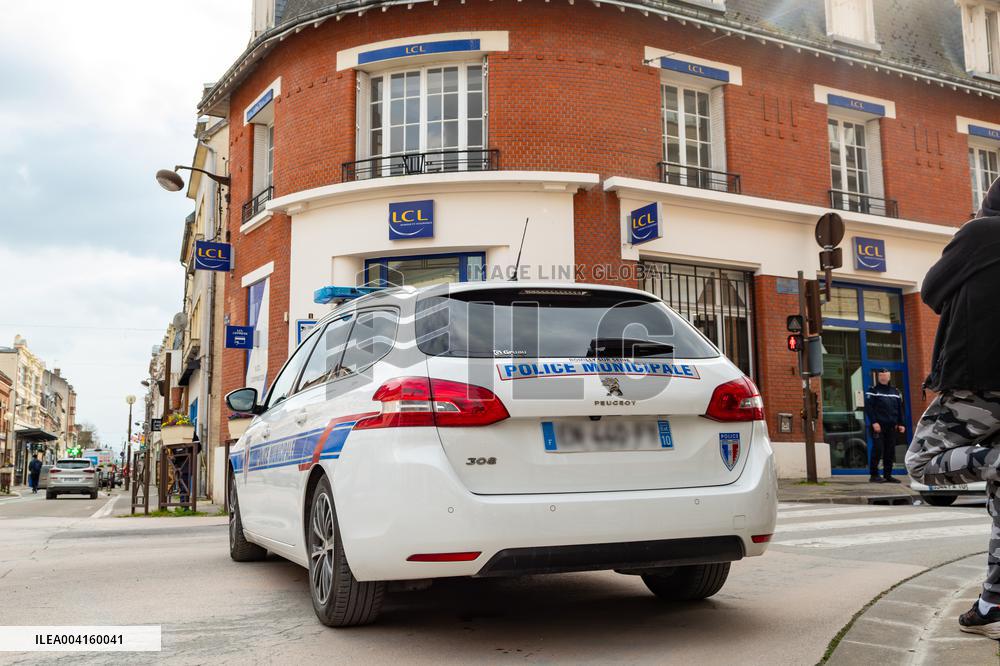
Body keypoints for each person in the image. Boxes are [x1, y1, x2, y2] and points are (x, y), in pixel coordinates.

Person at [905, 176, 1000, 638]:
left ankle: (995, 461)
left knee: (922, 464)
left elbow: (930, 291)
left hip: (977, 383)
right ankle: (992, 601)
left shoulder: (981, 233)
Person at [864, 368, 905, 483]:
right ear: (878, 377)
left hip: (891, 427)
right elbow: (869, 408)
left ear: (889, 377)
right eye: (881, 375)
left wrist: (901, 423)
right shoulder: (872, 390)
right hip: (878, 426)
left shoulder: (895, 392)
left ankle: (888, 475)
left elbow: (900, 408)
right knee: (877, 449)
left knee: (890, 451)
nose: (883, 377)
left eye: (885, 375)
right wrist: (874, 422)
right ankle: (874, 475)